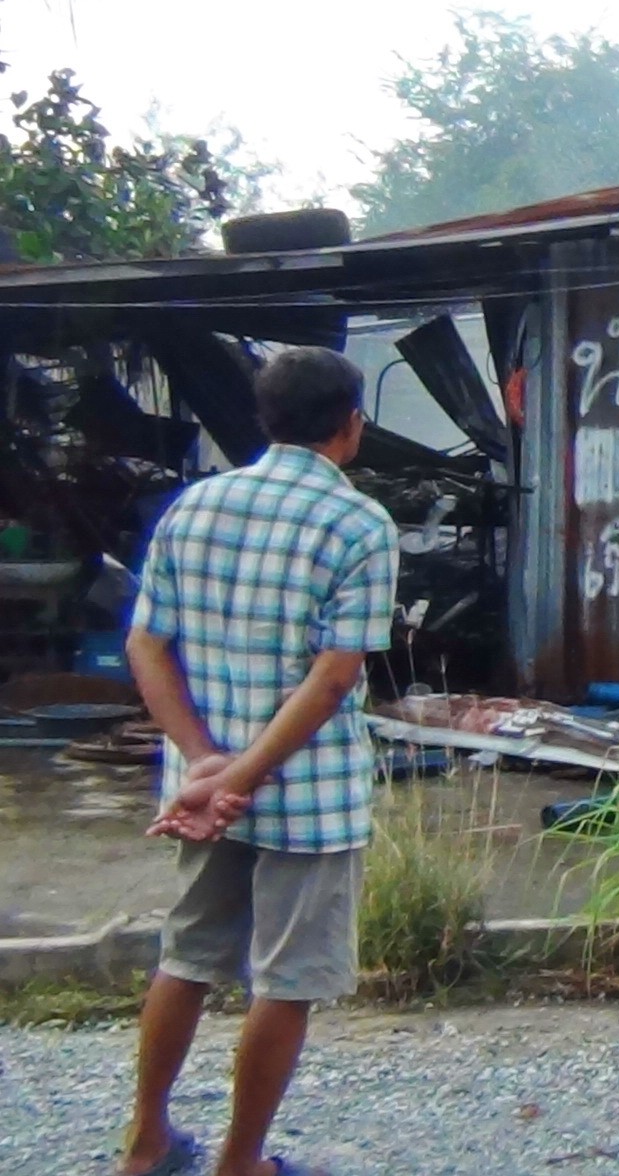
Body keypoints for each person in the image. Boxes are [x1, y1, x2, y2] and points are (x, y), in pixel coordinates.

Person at [117, 347, 400, 1176]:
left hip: (201, 795)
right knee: (286, 979)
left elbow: (146, 641)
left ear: (263, 419)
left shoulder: (193, 507)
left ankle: (145, 1143)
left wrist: (206, 763)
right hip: (306, 799)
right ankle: (242, 1163)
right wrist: (241, 777)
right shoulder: (358, 523)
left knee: (187, 958)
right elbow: (335, 675)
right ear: (351, 427)